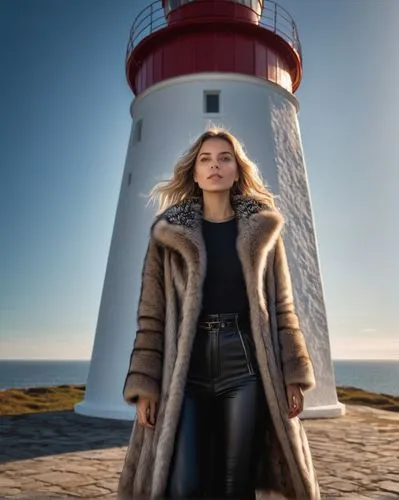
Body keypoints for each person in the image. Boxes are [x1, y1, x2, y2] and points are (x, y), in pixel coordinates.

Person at [117, 127, 320, 500]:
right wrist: (145, 385)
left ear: (237, 170)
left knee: (234, 484)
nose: (215, 166)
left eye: (225, 158)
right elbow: (152, 317)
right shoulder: (168, 235)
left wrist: (294, 373)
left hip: (244, 366)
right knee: (183, 485)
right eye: (205, 159)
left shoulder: (264, 232)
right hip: (185, 370)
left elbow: (282, 307)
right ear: (194, 173)